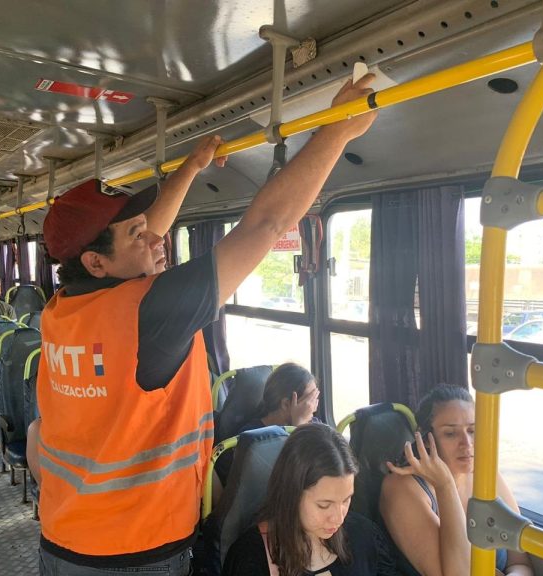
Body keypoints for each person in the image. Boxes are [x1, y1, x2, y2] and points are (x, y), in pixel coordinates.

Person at [33, 75, 377, 575]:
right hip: (136, 554)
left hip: (63, 539)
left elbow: (149, 233)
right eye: (137, 234)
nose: (156, 240)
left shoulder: (62, 308)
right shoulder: (148, 311)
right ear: (97, 262)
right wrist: (338, 130)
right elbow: (265, 225)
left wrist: (191, 169)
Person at [379, 385, 534, 576]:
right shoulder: (401, 488)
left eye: (472, 430)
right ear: (426, 439)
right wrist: (445, 486)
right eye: (451, 433)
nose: (466, 444)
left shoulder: (485, 474)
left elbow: (519, 561)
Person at [222, 423, 398, 576]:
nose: (338, 518)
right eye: (324, 505)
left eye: (346, 500)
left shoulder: (365, 536)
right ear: (291, 494)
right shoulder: (251, 557)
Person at [215, 362, 320, 486]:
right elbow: (283, 480)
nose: (313, 408)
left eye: (316, 398)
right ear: (286, 404)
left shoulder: (312, 424)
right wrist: (298, 427)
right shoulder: (252, 438)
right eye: (309, 400)